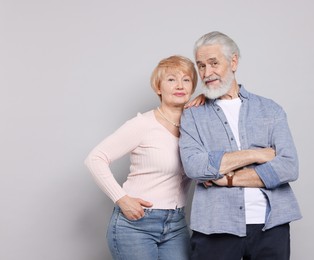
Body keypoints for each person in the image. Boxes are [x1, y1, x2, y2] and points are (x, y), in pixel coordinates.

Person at [179, 31, 302, 260]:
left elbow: (289, 166)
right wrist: (257, 154)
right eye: (201, 66)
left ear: (233, 61)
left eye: (214, 63)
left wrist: (227, 178)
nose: (207, 73)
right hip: (215, 226)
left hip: (271, 225)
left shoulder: (270, 110)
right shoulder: (192, 115)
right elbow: (195, 166)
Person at [85, 55, 200, 260]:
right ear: (158, 87)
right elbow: (95, 159)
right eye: (171, 79)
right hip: (136, 224)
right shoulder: (143, 124)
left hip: (176, 224)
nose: (179, 85)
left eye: (186, 79)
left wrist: (207, 100)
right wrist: (122, 199)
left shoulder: (195, 128)